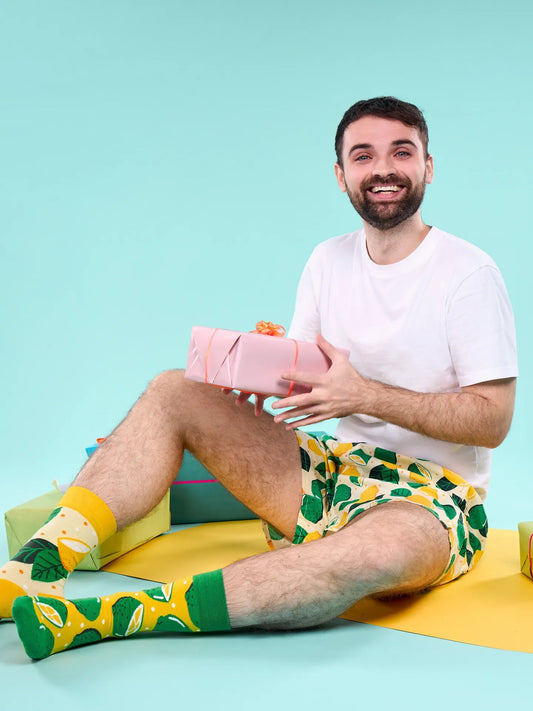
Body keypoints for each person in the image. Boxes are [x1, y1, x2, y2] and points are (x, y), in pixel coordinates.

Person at [2, 97, 518, 660]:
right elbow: (308, 373)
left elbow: (492, 421)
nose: (383, 169)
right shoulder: (327, 260)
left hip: (435, 500)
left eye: (401, 152)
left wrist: (365, 395)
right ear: (341, 175)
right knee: (174, 389)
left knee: (373, 556)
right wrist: (261, 371)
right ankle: (33, 568)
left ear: (427, 166)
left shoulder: (468, 273)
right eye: (363, 155)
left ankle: (104, 618)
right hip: (332, 470)